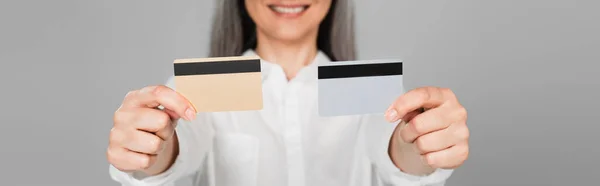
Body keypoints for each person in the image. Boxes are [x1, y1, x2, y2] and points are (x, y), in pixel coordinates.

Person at [107, 0, 470, 185]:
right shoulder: (200, 88)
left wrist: (423, 144)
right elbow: (174, 146)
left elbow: (396, 146)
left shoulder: (367, 89)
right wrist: (148, 148)